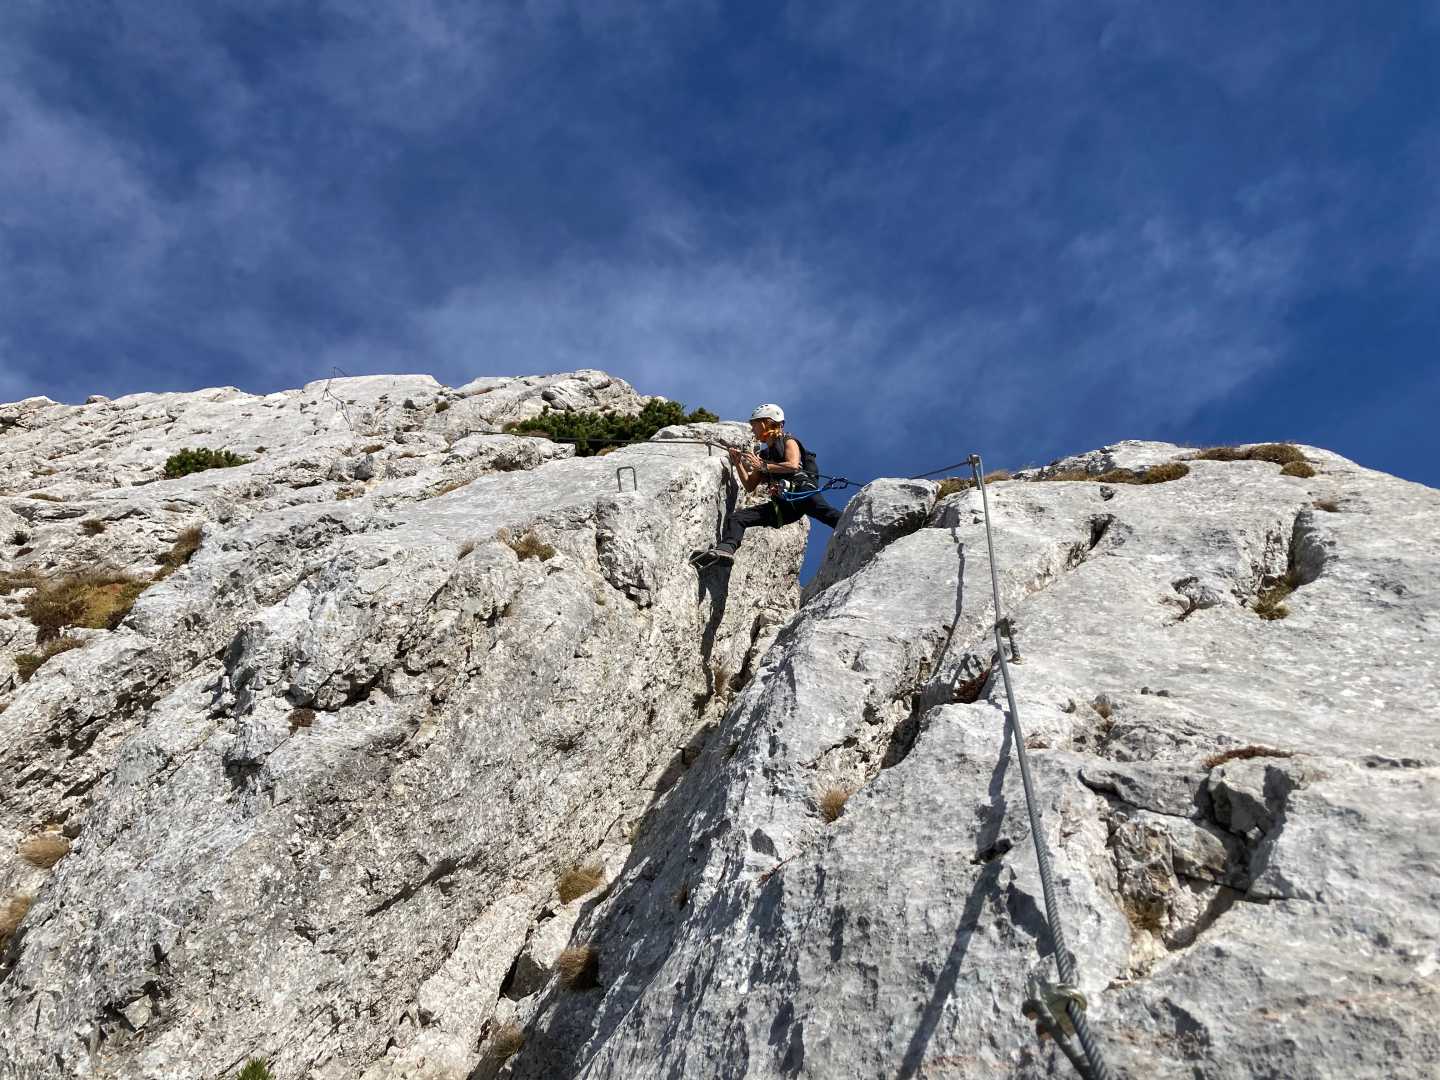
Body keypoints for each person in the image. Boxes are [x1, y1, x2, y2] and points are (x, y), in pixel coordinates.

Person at [690, 404, 841, 567]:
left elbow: (792, 465)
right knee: (738, 518)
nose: (752, 429)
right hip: (784, 506)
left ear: (766, 423)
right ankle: (726, 550)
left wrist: (763, 466)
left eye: (754, 424)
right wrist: (738, 463)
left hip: (801, 490)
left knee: (828, 514)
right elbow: (749, 485)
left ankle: (854, 527)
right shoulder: (763, 455)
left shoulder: (788, 440)